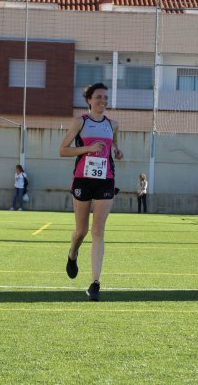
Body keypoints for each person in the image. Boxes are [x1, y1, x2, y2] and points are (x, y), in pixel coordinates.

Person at [59, 83, 124, 302]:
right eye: (98, 97)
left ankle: (95, 283)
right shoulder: (80, 122)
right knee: (81, 230)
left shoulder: (113, 124)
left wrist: (116, 150)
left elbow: (114, 145)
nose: (102, 100)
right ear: (89, 100)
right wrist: (87, 149)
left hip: (105, 180)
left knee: (98, 231)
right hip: (82, 179)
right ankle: (72, 253)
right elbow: (63, 150)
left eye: (105, 97)